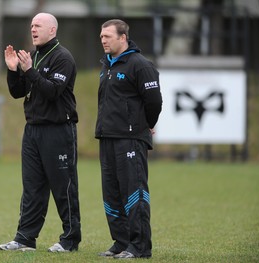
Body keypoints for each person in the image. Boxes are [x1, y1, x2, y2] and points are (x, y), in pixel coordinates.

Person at [0, 13, 81, 253]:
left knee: (63, 187)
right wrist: (14, 70)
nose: (33, 29)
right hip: (33, 131)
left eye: (38, 26)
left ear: (52, 30)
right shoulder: (33, 56)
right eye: (31, 25)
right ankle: (25, 238)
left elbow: (53, 91)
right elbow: (17, 92)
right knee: (32, 187)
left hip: (58, 131)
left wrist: (29, 71)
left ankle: (70, 239)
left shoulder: (62, 57)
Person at [95, 19, 162, 259]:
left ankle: (140, 246)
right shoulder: (107, 65)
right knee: (111, 193)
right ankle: (121, 242)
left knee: (134, 192)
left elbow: (154, 101)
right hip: (107, 138)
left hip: (130, 140)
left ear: (123, 38)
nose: (103, 40)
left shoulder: (140, 65)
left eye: (108, 36)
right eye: (101, 36)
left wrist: (146, 124)